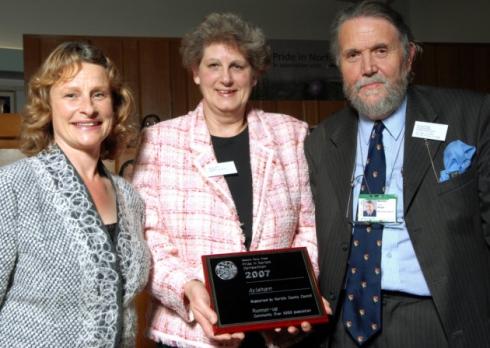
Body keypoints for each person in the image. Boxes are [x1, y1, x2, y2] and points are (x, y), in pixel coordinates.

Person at [132, 12, 326, 348]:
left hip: (276, 330)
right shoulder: (160, 141)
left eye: (237, 66)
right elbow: (148, 236)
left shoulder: (291, 134)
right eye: (213, 66)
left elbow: (309, 226)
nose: (226, 78)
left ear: (255, 75)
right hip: (192, 334)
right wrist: (187, 288)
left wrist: (296, 292)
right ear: (195, 72)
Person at [304, 1, 490, 347]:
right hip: (344, 324)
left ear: (408, 56)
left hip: (437, 322)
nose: (368, 68)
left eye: (381, 51)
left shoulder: (470, 115)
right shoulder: (321, 141)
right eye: (353, 55)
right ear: (340, 66)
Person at [0, 41, 150, 347]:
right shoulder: (13, 186)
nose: (89, 108)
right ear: (47, 105)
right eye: (71, 95)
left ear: (114, 105)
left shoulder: (130, 198)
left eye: (99, 94)